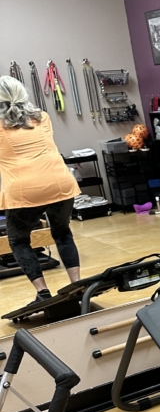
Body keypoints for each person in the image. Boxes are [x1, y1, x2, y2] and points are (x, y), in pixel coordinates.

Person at [0, 76, 81, 302]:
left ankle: (42, 292)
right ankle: (77, 284)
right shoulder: (42, 117)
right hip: (60, 182)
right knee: (62, 232)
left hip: (25, 190)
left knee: (18, 240)